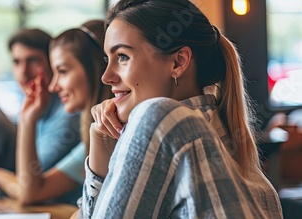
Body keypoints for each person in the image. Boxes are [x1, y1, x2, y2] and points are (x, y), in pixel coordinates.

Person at [76, 0, 283, 218]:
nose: (106, 77)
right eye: (108, 59)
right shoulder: (240, 164)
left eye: (123, 57)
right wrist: (99, 137)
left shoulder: (159, 118)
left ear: (178, 62)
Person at [0, 20, 111, 205]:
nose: (54, 86)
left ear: (94, 68)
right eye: (16, 62)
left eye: (62, 71)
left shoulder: (75, 120)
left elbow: (29, 190)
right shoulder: (93, 128)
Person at [7, 29, 81, 171]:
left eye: (33, 60)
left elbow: (29, 183)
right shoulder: (38, 107)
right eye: (17, 62)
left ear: (52, 62)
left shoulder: (68, 113)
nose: (23, 72)